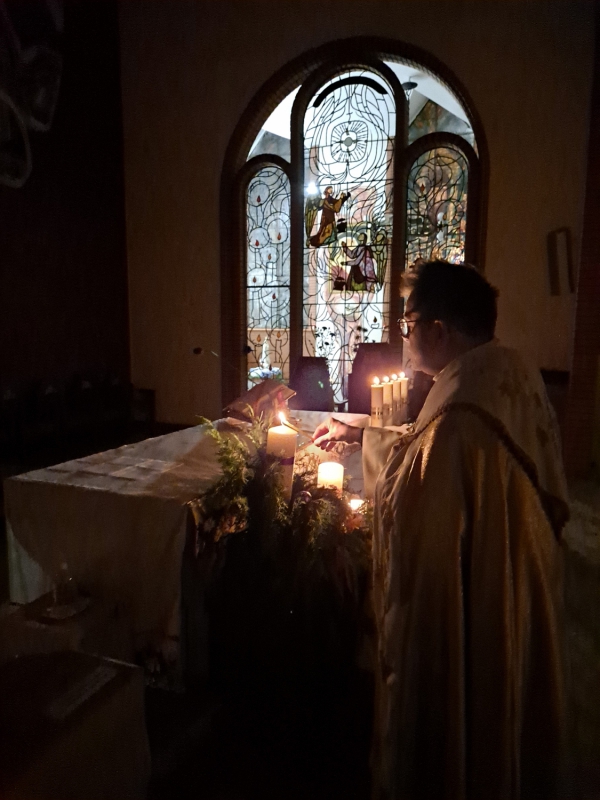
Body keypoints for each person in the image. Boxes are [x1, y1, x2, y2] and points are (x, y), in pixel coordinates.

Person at [312, 260, 569, 800]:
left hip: (468, 603)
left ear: (437, 332)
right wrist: (359, 433)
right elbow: (419, 440)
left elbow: (417, 509)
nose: (403, 339)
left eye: (407, 326)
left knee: (460, 707)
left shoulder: (458, 425)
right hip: (515, 583)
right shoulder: (506, 378)